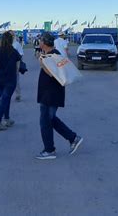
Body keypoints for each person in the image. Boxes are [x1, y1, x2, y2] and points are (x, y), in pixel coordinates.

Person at [36, 32, 83, 160]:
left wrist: (42, 63)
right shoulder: (51, 54)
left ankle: (49, 150)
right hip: (50, 93)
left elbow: (52, 74)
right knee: (51, 119)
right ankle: (73, 138)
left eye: (40, 40)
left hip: (50, 94)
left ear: (44, 43)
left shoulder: (53, 55)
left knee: (45, 121)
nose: (39, 42)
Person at [0, 31, 21, 131]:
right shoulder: (14, 52)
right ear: (11, 40)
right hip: (10, 80)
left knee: (5, 99)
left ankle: (7, 119)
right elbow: (17, 67)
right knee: (5, 99)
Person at [11, 31, 24, 101]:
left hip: (15, 65)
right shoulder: (6, 44)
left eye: (12, 35)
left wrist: (18, 65)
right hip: (7, 65)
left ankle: (18, 95)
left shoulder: (16, 44)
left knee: (16, 81)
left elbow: (21, 54)